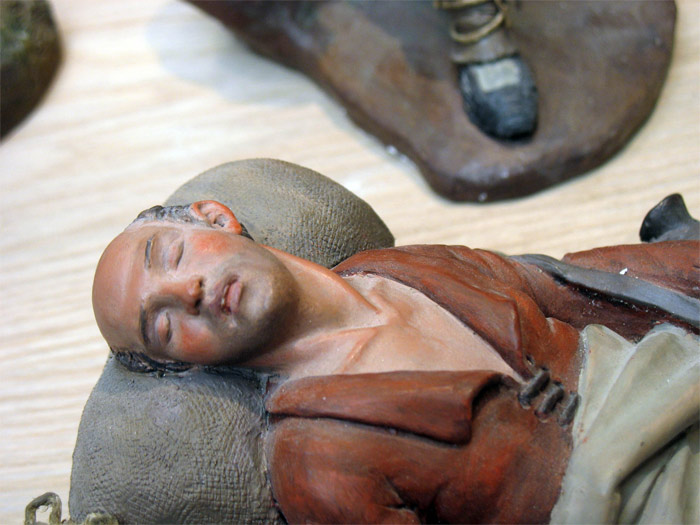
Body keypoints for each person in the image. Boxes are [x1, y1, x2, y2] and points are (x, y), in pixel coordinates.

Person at [92, 199, 699, 524]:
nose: (189, 292)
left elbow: (571, 286)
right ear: (186, 366)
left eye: (171, 256)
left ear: (216, 218)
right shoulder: (318, 462)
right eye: (164, 326)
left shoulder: (404, 267)